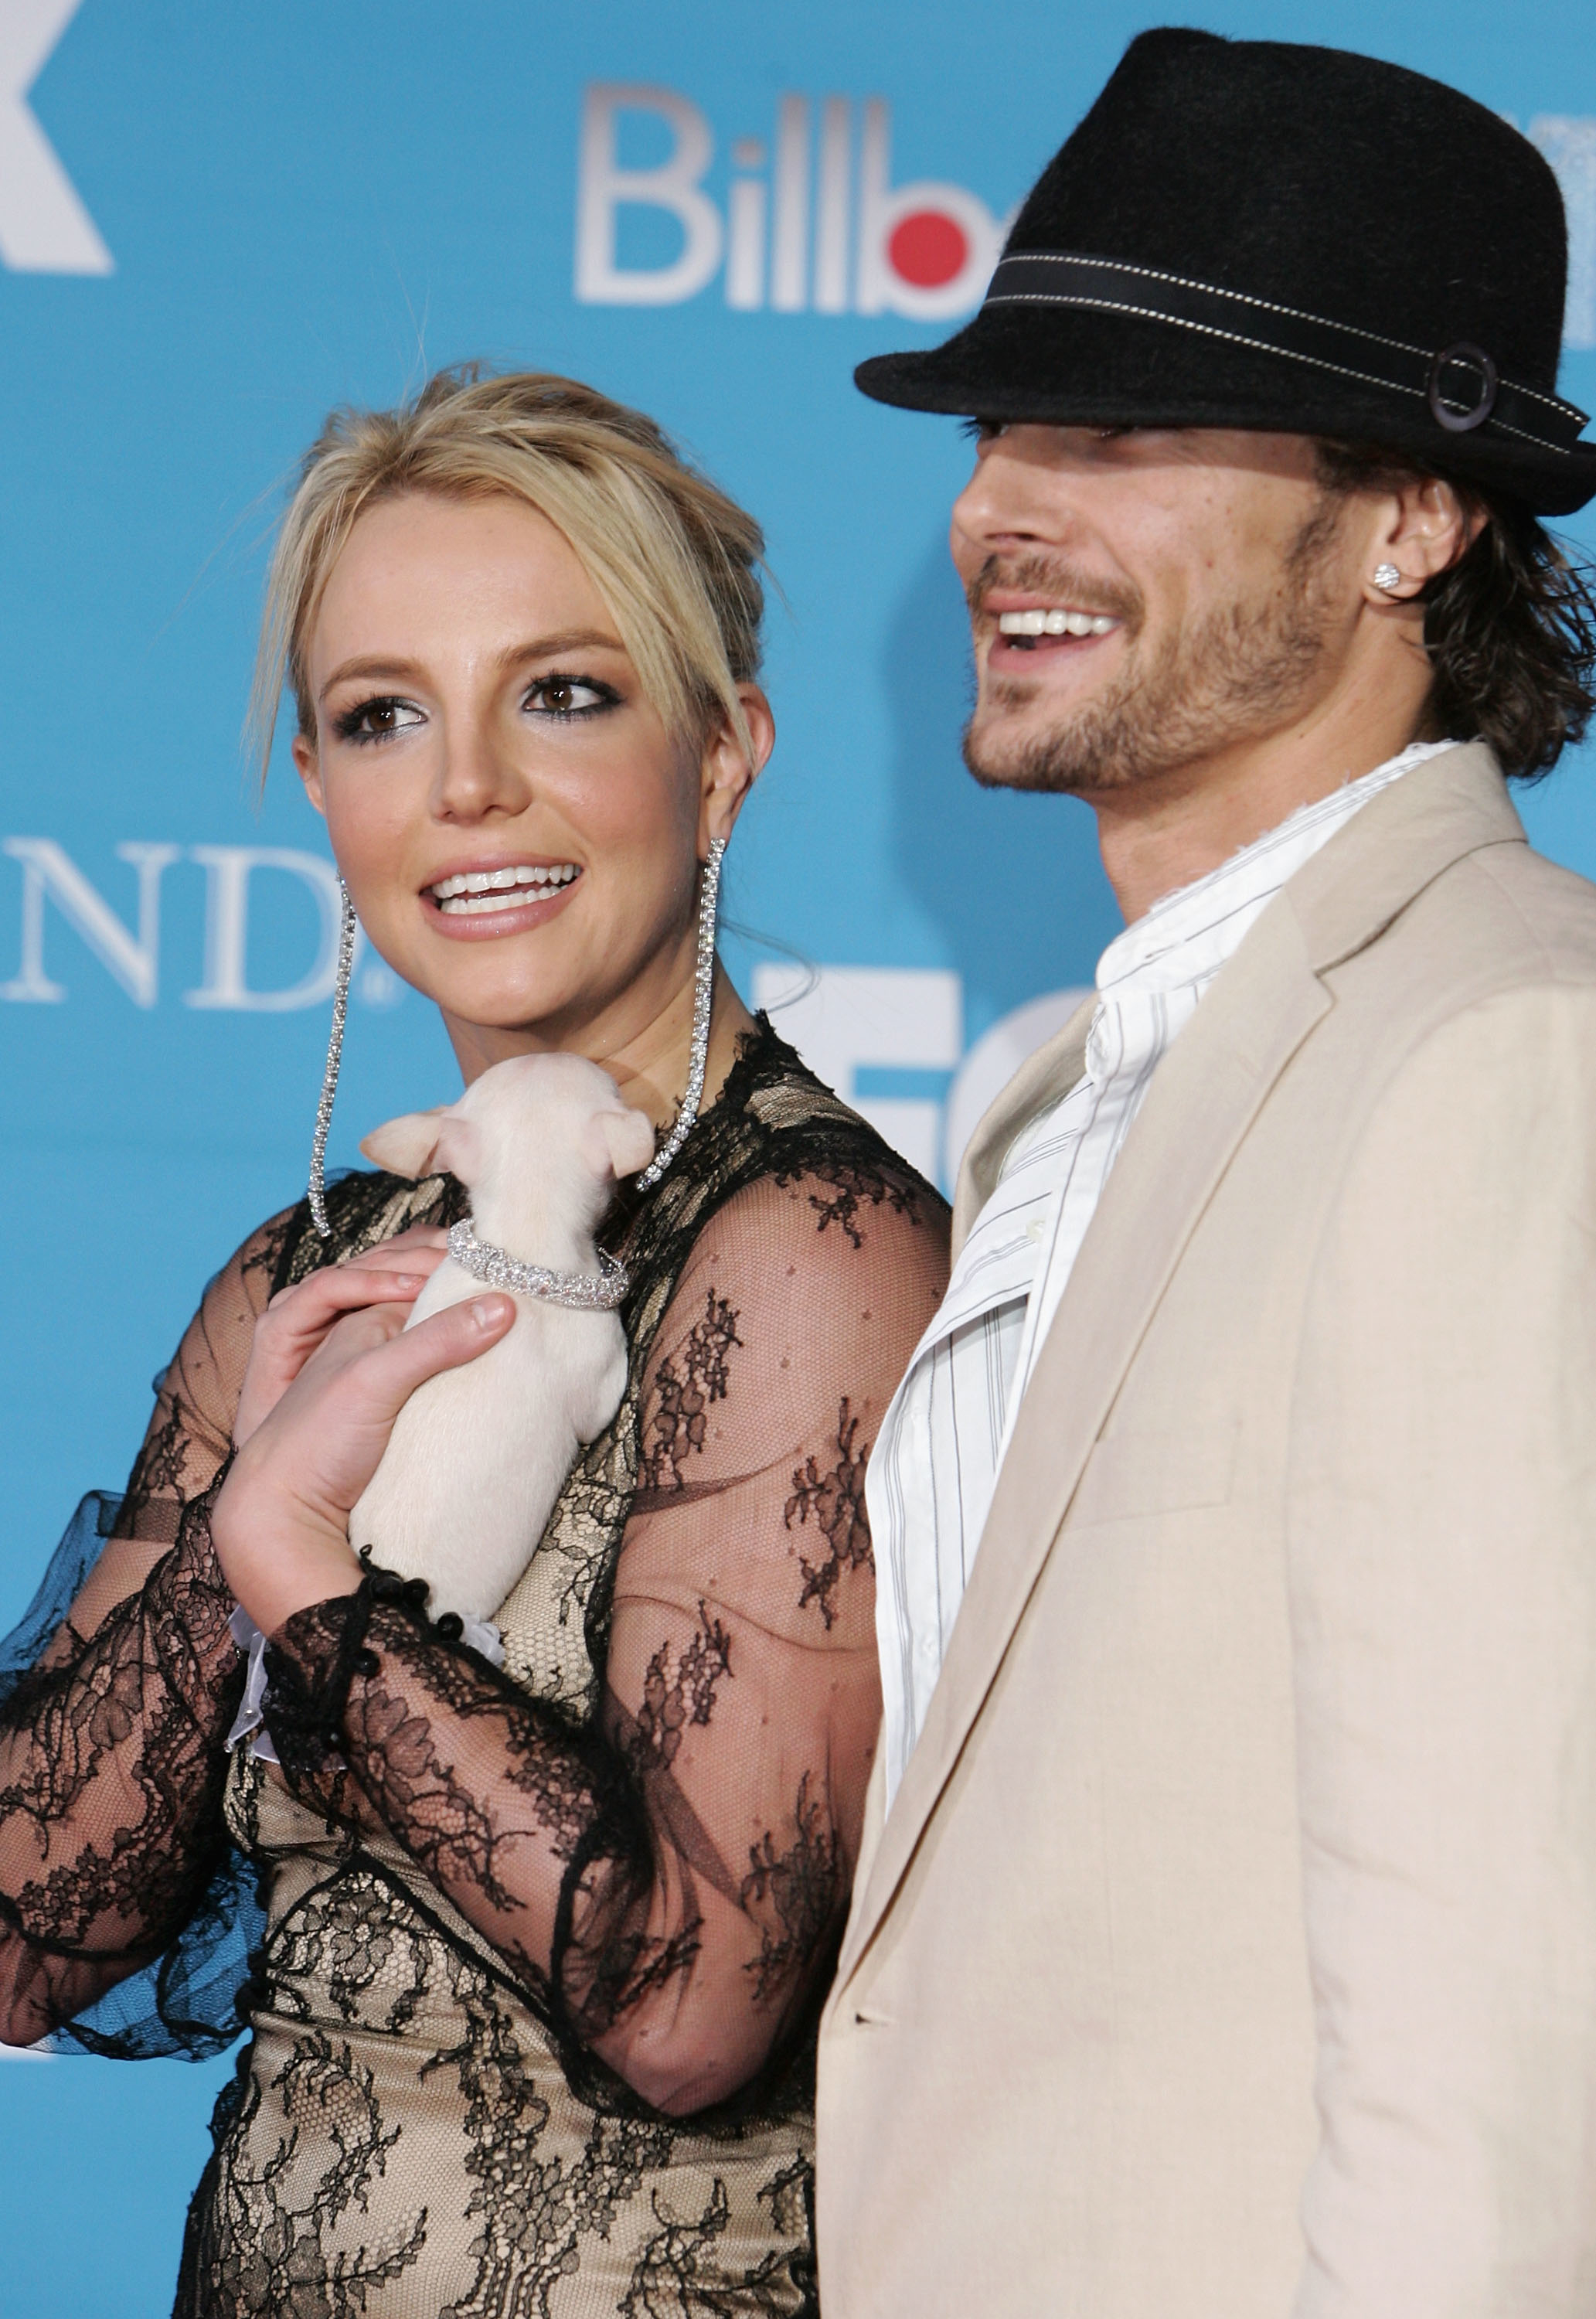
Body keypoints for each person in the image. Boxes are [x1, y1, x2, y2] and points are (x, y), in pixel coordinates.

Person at [0, 366, 949, 2315]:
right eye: (381, 717)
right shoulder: (308, 1273)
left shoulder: (809, 1257)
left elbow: (686, 1998)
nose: (465, 788)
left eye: (566, 693)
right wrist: (222, 1555)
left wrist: (299, 1580)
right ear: (327, 792)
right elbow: (33, 1921)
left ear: (725, 752)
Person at [815, 29, 1596, 2319]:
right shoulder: (1053, 1102)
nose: (1000, 504)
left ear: (1410, 519)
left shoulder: (1505, 1053)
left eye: (1129, 428)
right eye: (1001, 424)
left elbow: (1498, 1994)